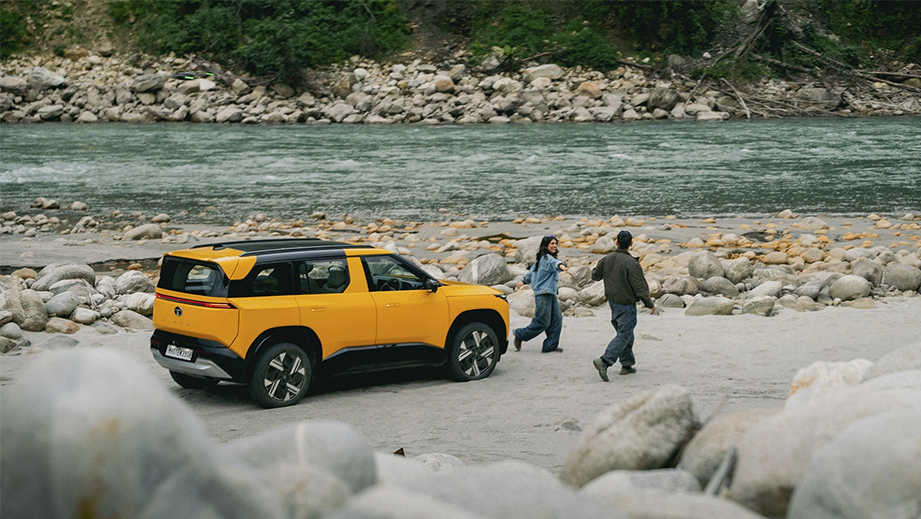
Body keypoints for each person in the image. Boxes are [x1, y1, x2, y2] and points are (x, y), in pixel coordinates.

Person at [590, 230, 656, 381]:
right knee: (625, 333)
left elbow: (595, 275)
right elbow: (640, 286)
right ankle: (605, 361)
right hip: (626, 304)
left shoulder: (607, 259)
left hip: (613, 303)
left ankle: (627, 365)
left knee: (625, 333)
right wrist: (649, 303)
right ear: (631, 243)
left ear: (617, 242)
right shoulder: (631, 263)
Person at [512, 235, 571, 353]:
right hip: (543, 294)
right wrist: (563, 267)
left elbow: (531, 272)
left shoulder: (540, 259)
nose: (554, 246)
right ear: (546, 246)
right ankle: (520, 334)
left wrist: (523, 281)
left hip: (550, 293)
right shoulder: (547, 258)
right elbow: (555, 263)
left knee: (557, 319)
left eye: (555, 243)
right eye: (552, 244)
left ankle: (550, 345)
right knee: (542, 322)